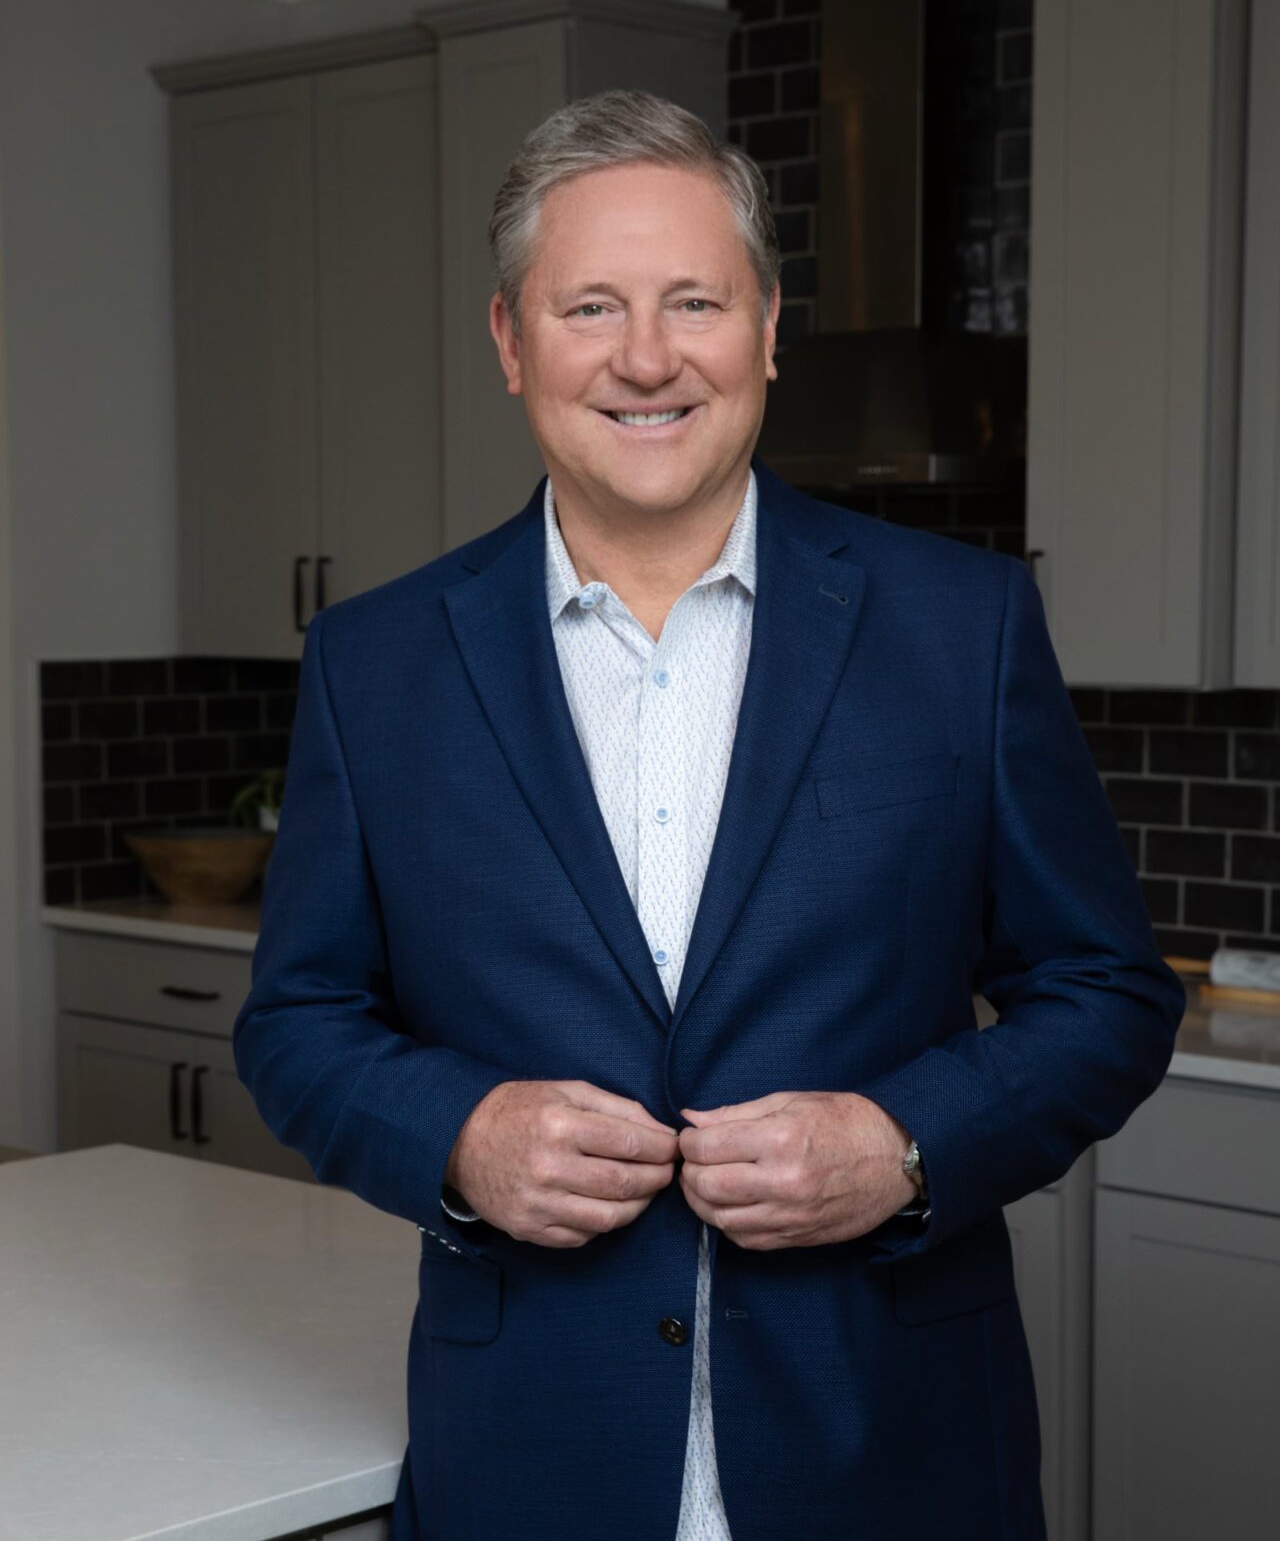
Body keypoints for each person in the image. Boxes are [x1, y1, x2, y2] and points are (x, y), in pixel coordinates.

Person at [233, 89, 1185, 1541]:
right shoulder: (377, 666)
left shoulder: (962, 627)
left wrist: (903, 1145)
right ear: (509, 342)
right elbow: (297, 1020)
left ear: (768, 329)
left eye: (696, 301)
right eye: (590, 306)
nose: (647, 358)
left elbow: (1107, 992)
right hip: (531, 1464)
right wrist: (463, 1132)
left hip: (893, 1452)